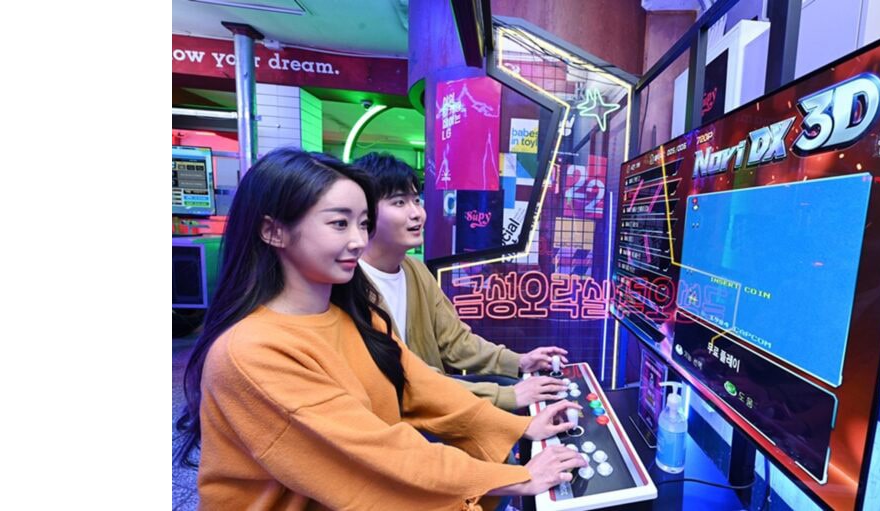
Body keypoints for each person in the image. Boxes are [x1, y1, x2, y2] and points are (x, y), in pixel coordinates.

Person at [173, 148, 586, 510]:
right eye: (339, 224)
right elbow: (372, 453)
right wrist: (511, 477)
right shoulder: (251, 352)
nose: (357, 240)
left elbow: (418, 384)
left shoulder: (355, 311)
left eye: (363, 223)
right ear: (273, 230)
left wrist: (518, 425)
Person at [349, 152, 569, 411]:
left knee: (526, 396)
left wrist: (519, 362)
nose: (417, 213)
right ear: (365, 214)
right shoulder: (350, 286)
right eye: (399, 203)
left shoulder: (416, 271)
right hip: (398, 415)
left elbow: (455, 341)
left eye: (416, 200)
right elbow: (406, 379)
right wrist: (507, 395)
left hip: (429, 395)